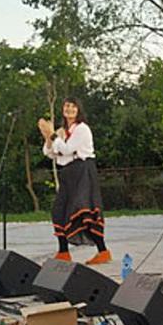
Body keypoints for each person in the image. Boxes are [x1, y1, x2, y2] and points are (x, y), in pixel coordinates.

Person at [38, 98, 111, 265]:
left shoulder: (82, 129)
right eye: (66, 106)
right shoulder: (63, 131)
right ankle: (63, 252)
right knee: (59, 210)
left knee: (83, 211)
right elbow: (49, 153)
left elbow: (67, 149)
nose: (69, 109)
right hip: (68, 174)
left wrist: (53, 135)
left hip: (83, 171)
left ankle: (103, 251)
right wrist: (49, 137)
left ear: (78, 110)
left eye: (73, 106)